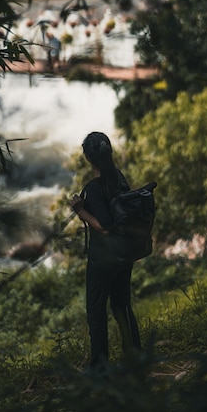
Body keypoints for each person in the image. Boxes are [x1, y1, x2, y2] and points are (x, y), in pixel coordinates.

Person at [70, 131, 141, 372]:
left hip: (103, 260)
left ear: (88, 158)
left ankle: (100, 370)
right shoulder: (119, 178)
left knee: (96, 312)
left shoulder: (93, 187)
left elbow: (105, 227)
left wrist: (81, 210)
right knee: (122, 306)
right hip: (124, 255)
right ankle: (136, 356)